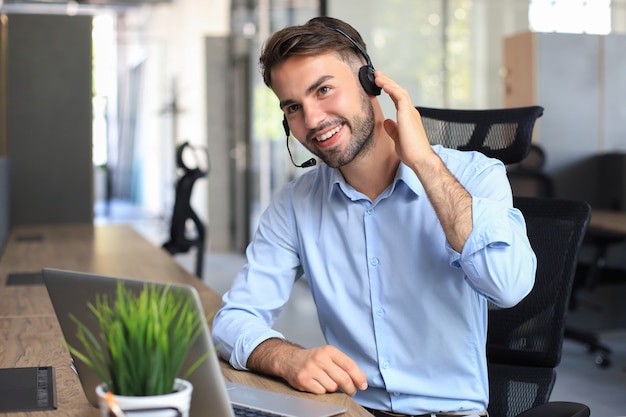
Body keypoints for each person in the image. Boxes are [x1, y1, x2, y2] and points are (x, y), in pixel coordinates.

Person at [212, 16, 536, 417]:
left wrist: (424, 164)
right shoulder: (294, 203)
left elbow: (506, 286)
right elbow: (233, 320)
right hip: (348, 411)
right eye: (294, 107)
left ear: (372, 83)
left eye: (324, 90)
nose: (312, 120)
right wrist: (285, 358)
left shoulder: (475, 175)